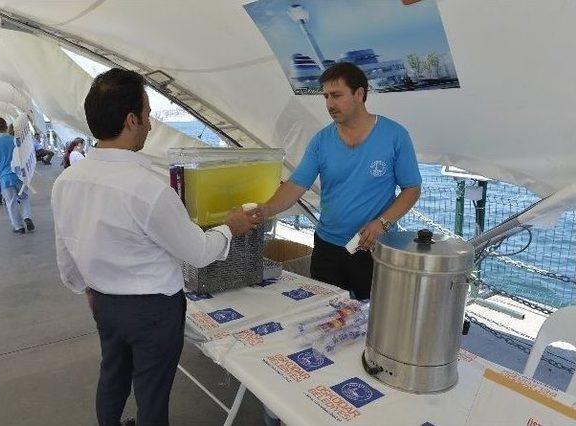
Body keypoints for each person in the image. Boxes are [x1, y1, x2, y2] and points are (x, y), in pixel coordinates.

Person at [51, 68, 258, 426]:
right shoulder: (150, 189)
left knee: (112, 375)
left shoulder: (67, 181)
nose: (150, 123)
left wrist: (87, 289)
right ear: (131, 120)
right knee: (152, 393)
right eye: (147, 114)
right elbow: (198, 251)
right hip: (152, 311)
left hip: (103, 301)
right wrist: (230, 227)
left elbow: (66, 254)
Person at [256, 62, 421, 300]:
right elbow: (295, 185)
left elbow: (412, 189)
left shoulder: (395, 136)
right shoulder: (321, 141)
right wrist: (267, 209)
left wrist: (382, 223)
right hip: (327, 247)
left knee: (373, 319)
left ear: (360, 94)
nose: (329, 104)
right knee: (327, 316)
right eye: (326, 97)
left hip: (374, 247)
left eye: (336, 95)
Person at [0, 117, 35, 234]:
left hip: (5, 177)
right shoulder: (14, 140)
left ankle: (19, 227)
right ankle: (27, 216)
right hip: (20, 174)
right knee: (24, 197)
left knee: (11, 202)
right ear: (6, 127)